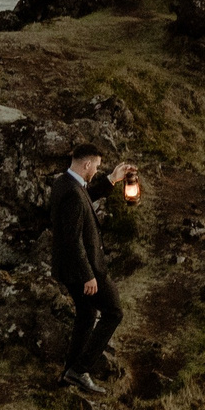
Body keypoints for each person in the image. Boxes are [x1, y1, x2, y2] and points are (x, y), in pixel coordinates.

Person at [52, 141, 138, 395]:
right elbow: (72, 239)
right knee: (113, 312)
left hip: (72, 268)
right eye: (97, 167)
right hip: (83, 269)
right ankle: (80, 369)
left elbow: (85, 199)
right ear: (87, 163)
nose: (96, 171)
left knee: (87, 314)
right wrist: (88, 275)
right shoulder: (70, 192)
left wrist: (112, 179)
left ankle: (70, 372)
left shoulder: (66, 184)